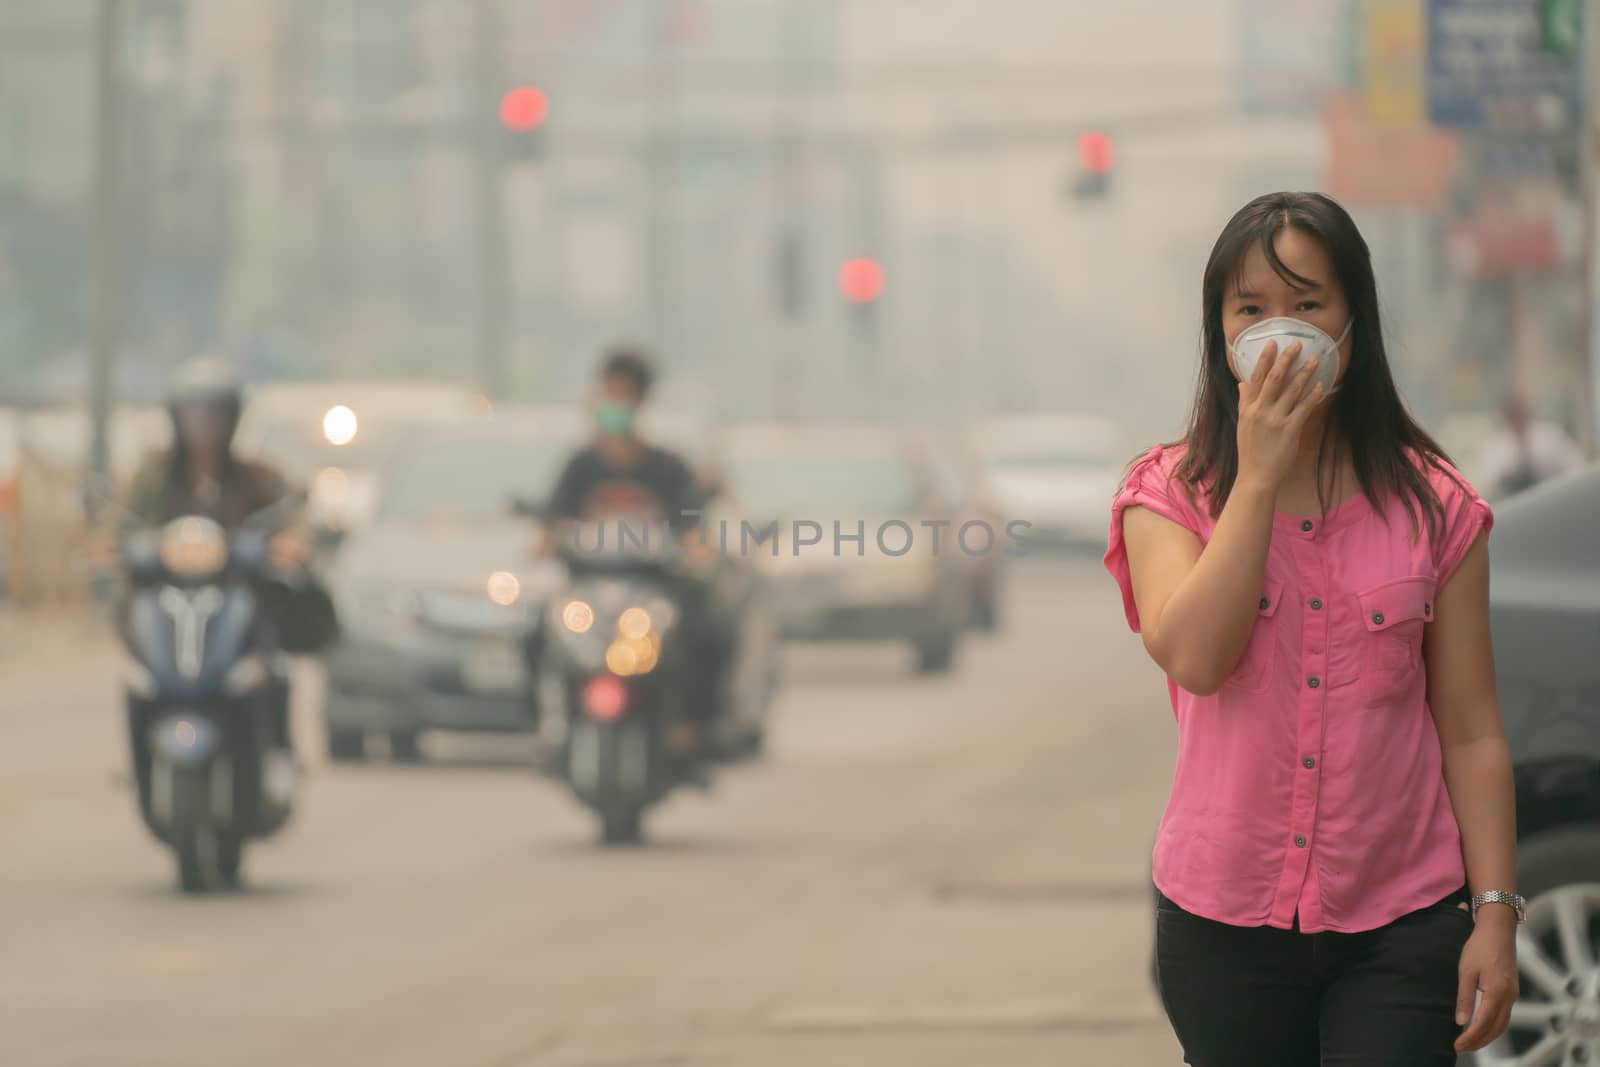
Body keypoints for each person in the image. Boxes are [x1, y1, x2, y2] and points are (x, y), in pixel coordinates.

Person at [1105, 192, 1520, 1065]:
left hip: (1401, 920)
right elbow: (1196, 657)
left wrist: (1495, 912)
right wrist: (1255, 479)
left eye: (1307, 304)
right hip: (1222, 924)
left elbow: (1473, 729)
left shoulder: (1435, 506)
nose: (1279, 331)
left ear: (1352, 324)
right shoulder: (1171, 495)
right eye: (1251, 309)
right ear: (1220, 335)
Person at [545, 346, 730, 762]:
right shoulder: (580, 467)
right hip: (590, 587)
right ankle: (546, 719)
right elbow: (551, 524)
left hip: (651, 587)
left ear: (642, 401)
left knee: (705, 627)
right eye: (609, 394)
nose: (616, 404)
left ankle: (689, 724)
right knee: (537, 629)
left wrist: (696, 549)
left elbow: (692, 528)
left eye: (625, 395)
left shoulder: (667, 468)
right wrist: (546, 542)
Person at [120, 357, 311, 754]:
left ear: (231, 420)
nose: (203, 425)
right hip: (170, 595)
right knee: (137, 664)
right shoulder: (155, 475)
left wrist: (291, 542)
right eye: (194, 414)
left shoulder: (254, 476)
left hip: (234, 594)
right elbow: (120, 519)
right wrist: (109, 542)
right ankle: (139, 753)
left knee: (270, 661)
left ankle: (278, 752)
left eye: (213, 415)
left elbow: (293, 515)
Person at [1476, 389, 1584, 500]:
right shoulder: (1495, 447)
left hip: (1553, 499)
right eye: (1513, 412)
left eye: (1520, 410)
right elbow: (1490, 482)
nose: (1517, 416)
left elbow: (1575, 466)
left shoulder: (1550, 437)